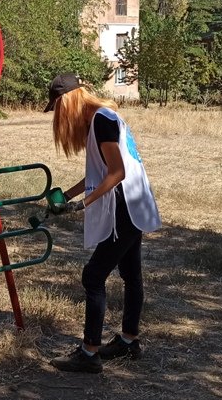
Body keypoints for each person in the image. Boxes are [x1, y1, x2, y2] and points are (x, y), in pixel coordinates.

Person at [44, 74, 161, 374]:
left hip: (125, 206)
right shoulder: (103, 118)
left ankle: (89, 352)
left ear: (66, 101)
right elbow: (100, 171)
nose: (57, 116)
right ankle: (129, 341)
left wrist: (82, 204)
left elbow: (117, 173)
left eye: (56, 107)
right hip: (135, 203)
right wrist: (66, 194)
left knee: (93, 276)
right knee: (131, 273)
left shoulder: (102, 121)